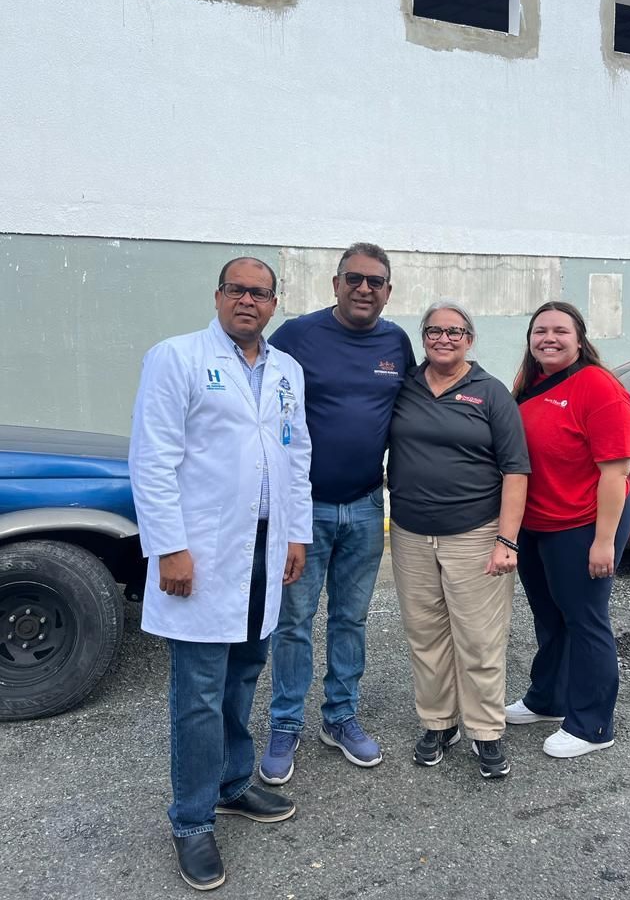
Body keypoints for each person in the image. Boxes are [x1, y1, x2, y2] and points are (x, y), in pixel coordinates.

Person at [129, 257, 312, 892]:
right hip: (203, 551)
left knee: (244, 676)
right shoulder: (175, 358)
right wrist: (170, 547)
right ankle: (190, 820)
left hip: (264, 548)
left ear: (273, 304)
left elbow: (296, 455)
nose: (248, 301)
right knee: (200, 692)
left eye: (261, 294)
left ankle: (235, 784)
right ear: (218, 295)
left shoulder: (286, 370)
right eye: (238, 290)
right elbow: (152, 460)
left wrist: (297, 533)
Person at [258, 243, 415, 784]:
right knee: (294, 621)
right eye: (355, 279)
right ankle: (285, 724)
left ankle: (340, 717)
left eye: (375, 281)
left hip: (369, 506)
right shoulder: (298, 335)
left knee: (351, 618)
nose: (364, 288)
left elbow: (415, 410)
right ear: (335, 283)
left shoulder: (396, 342)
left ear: (388, 291)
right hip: (305, 511)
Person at [386, 301, 530, 779]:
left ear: (470, 338)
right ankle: (438, 723)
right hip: (410, 534)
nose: (443, 339)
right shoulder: (404, 385)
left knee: (479, 639)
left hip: (475, 533)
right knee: (425, 635)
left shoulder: (490, 394)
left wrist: (507, 540)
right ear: (423, 337)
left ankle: (486, 731)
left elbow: (516, 470)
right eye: (433, 331)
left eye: (454, 331)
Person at [504, 301, 630, 759]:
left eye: (560, 330)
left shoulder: (599, 387)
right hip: (537, 525)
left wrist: (603, 541)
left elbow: (615, 473)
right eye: (540, 330)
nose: (549, 338)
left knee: (585, 621)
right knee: (550, 618)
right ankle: (549, 699)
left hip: (581, 526)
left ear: (579, 339)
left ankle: (593, 724)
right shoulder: (528, 383)